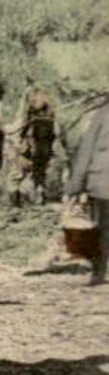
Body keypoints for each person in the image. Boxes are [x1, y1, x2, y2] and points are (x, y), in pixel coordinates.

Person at [63, 96, 109, 285]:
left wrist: (75, 185)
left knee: (103, 226)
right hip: (103, 179)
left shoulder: (102, 114)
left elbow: (86, 151)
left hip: (102, 180)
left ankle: (99, 271)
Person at [13, 81, 57, 204]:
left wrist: (19, 137)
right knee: (40, 169)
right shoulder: (46, 100)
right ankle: (40, 193)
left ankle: (16, 194)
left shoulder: (30, 97)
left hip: (32, 137)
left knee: (20, 168)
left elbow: (24, 117)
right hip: (44, 140)